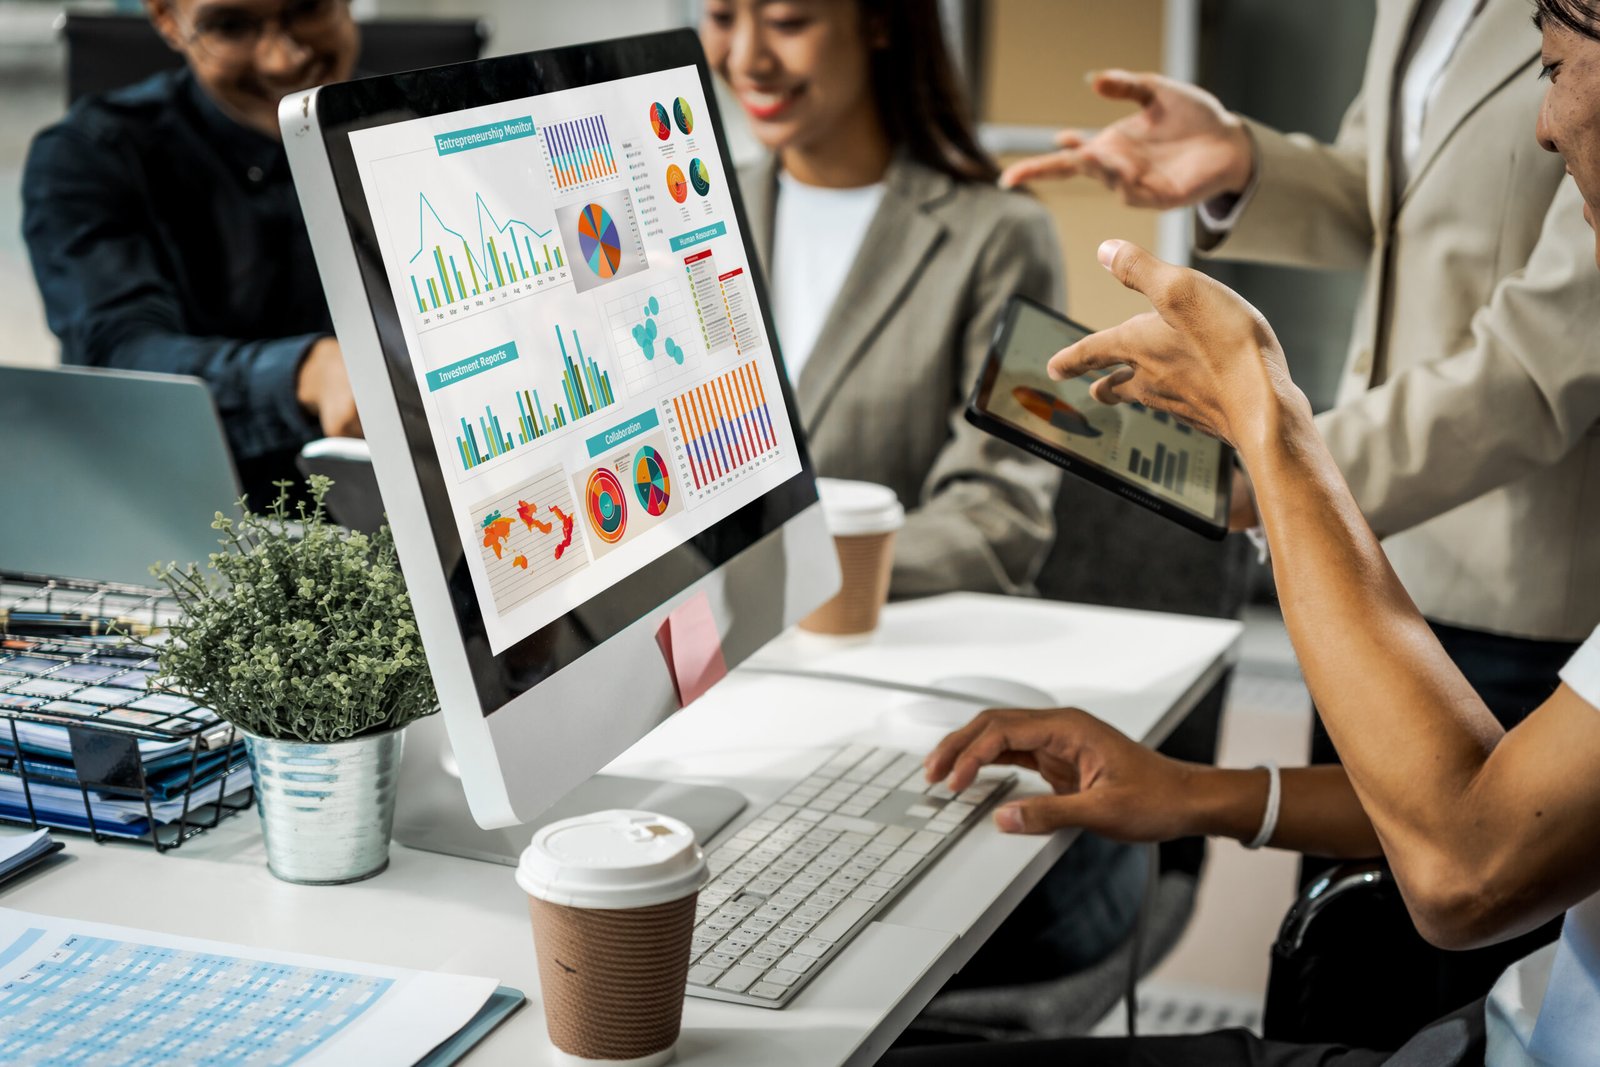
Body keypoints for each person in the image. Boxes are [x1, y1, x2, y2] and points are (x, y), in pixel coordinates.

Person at [882, 4, 1600, 1064]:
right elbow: (1403, 197)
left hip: (1502, 587)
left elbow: (1469, 864)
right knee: (1350, 974)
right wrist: (1244, 163)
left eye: (1558, 70)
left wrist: (1273, 446)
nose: (1543, 125)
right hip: (1387, 605)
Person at [700, 0, 1063, 599]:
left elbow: (1000, 516)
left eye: (787, 21)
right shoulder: (697, 216)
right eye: (720, 17)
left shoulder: (1002, 235)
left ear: (877, 20)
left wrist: (800, 572)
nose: (746, 59)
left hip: (893, 634)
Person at [22, 0, 364, 505]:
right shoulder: (92, 154)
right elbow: (117, 358)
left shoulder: (422, 125)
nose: (283, 60)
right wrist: (304, 373)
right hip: (192, 502)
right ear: (166, 18)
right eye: (230, 26)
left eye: (307, 8)